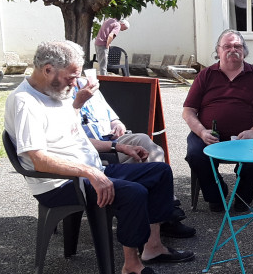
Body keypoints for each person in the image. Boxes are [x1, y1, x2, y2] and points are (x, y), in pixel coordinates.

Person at [5, 40, 194, 274]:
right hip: (60, 183)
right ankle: (131, 266)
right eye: (71, 76)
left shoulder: (56, 93)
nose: (75, 82)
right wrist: (89, 172)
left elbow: (75, 140)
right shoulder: (25, 103)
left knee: (158, 171)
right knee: (132, 193)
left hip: (89, 172)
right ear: (48, 69)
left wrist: (118, 147)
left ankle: (153, 247)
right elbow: (39, 159)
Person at [72, 83, 195, 238]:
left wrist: (118, 125)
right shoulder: (58, 95)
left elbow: (113, 117)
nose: (75, 78)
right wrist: (78, 102)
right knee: (146, 168)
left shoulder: (87, 85)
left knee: (146, 144)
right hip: (92, 148)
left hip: (110, 137)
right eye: (72, 73)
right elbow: (69, 138)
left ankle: (166, 208)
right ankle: (164, 215)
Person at [182, 29, 253, 213]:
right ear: (218, 51)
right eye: (227, 46)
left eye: (237, 46)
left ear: (244, 51)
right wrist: (201, 131)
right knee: (196, 155)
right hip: (209, 135)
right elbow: (188, 111)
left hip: (246, 137)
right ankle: (216, 195)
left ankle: (242, 198)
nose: (232, 49)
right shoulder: (206, 76)